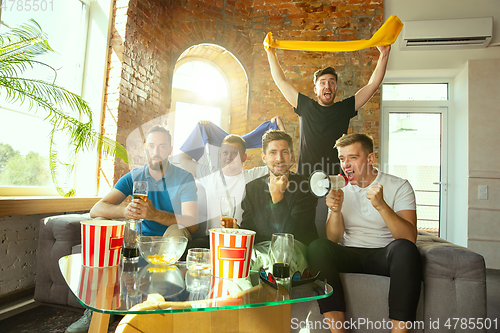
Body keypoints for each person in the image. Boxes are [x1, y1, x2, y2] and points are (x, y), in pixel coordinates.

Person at [65, 125, 197, 333]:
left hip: (167, 239)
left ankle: (157, 310)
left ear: (170, 150)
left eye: (162, 147)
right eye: (151, 146)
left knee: (177, 230)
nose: (156, 152)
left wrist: (155, 215)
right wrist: (124, 210)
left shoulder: (184, 178)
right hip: (137, 238)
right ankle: (98, 310)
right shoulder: (134, 176)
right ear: (145, 149)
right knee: (102, 221)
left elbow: (191, 222)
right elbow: (96, 209)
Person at [306, 133, 422, 333]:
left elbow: (409, 237)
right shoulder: (339, 187)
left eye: (353, 157)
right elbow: (333, 239)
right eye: (342, 159)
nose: (346, 164)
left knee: (406, 249)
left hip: (383, 254)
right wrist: (335, 210)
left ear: (369, 159)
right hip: (349, 252)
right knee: (317, 247)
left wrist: (382, 206)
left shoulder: (399, 186)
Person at [265, 45, 391, 177]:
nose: (327, 86)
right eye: (323, 83)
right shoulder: (305, 106)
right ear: (316, 89)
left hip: (336, 178)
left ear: (336, 88)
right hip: (306, 177)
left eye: (331, 83)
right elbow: (281, 81)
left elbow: (373, 85)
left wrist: (384, 54)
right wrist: (270, 52)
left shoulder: (344, 109)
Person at [179, 117, 285, 233]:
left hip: (240, 240)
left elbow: (281, 165)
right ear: (220, 156)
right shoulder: (209, 174)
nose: (229, 157)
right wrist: (199, 133)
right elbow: (183, 159)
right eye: (225, 152)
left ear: (244, 158)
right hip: (212, 241)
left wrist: (280, 128)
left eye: (235, 153)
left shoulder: (251, 176)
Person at [235, 130, 318, 272]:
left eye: (284, 152)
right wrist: (235, 231)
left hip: (295, 250)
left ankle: (279, 291)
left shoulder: (306, 186)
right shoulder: (252, 188)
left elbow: (291, 234)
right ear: (264, 157)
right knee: (235, 259)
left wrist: (277, 198)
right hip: (261, 250)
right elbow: (249, 231)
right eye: (273, 153)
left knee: (281, 253)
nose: (279, 158)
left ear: (291, 156)